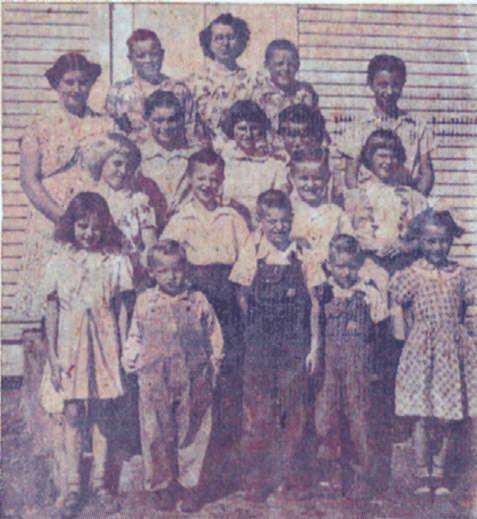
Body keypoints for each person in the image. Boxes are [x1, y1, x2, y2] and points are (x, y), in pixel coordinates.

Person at [39, 192, 133, 518]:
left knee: (104, 413)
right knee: (73, 412)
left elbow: (121, 308)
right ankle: (72, 485)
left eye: (95, 227)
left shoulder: (115, 259)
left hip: (105, 343)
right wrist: (52, 356)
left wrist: (121, 348)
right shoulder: (59, 260)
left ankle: (100, 483)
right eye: (82, 226)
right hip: (69, 345)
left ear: (104, 227)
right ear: (71, 225)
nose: (89, 234)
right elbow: (51, 310)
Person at [161, 148, 250, 476]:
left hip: (226, 298)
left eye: (214, 179)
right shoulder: (181, 218)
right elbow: (166, 256)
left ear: (223, 180)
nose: (208, 185)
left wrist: (239, 291)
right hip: (194, 296)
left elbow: (247, 257)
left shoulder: (232, 218)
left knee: (226, 372)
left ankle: (225, 458)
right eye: (201, 178)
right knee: (195, 375)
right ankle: (192, 461)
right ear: (189, 179)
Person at [122, 240, 224, 513]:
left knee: (192, 429)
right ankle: (161, 485)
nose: (172, 276)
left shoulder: (198, 301)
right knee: (155, 431)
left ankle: (190, 485)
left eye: (178, 269)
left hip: (193, 376)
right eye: (164, 271)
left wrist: (215, 361)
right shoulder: (146, 302)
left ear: (186, 269)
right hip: (155, 377)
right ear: (153, 273)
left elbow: (214, 334)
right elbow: (135, 334)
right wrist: (132, 359)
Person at [17, 52, 112, 320]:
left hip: (91, 222)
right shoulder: (39, 125)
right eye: (68, 82)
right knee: (49, 301)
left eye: (82, 82)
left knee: (88, 300)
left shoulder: (104, 124)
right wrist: (62, 217)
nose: (75, 89)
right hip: (52, 219)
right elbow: (29, 179)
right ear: (57, 85)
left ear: (91, 84)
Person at [389, 209, 477, 497]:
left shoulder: (459, 274)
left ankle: (440, 470)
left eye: (442, 241)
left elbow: (470, 306)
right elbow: (396, 303)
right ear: (420, 242)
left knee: (447, 414)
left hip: (452, 351)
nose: (437, 247)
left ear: (450, 241)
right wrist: (404, 334)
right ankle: (421, 471)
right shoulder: (412, 274)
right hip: (421, 350)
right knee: (421, 414)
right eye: (430, 242)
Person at [230, 189, 310, 502]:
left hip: (292, 341)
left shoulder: (301, 252)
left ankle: (290, 478)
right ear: (260, 222)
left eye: (284, 221)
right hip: (260, 340)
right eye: (272, 221)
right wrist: (255, 330)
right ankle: (255, 479)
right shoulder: (253, 250)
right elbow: (241, 294)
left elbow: (313, 299)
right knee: (257, 413)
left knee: (293, 411)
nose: (278, 227)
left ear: (291, 220)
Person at [307, 235, 388, 500]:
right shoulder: (322, 292)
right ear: (329, 265)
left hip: (359, 367)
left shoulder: (368, 292)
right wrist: (315, 353)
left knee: (360, 420)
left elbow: (380, 332)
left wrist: (375, 366)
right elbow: (315, 327)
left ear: (360, 264)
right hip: (330, 367)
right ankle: (331, 473)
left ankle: (362, 477)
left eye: (352, 265)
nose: (346, 272)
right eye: (340, 266)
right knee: (325, 418)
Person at [336, 54, 435, 195]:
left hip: (407, 198)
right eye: (382, 85)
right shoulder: (357, 128)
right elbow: (351, 175)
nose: (389, 92)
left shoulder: (417, 126)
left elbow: (427, 173)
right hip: (370, 200)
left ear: (403, 84)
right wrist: (362, 203)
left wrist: (415, 202)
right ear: (370, 84)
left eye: (395, 85)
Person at [344, 131, 429, 275]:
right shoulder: (355, 198)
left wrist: (405, 246)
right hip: (366, 270)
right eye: (382, 156)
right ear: (370, 157)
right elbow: (346, 237)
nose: (388, 162)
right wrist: (369, 245)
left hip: (404, 269)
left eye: (393, 157)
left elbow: (427, 238)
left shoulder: (413, 198)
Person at [83, 132, 159, 275]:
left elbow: (150, 246)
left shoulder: (139, 201)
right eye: (117, 164)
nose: (123, 171)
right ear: (101, 162)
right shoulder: (87, 198)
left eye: (129, 166)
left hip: (129, 275)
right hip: (93, 273)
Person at [105, 29, 195, 144]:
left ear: (162, 55)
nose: (149, 60)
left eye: (154, 54)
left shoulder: (178, 90)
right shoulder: (118, 92)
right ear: (130, 59)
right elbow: (112, 132)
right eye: (141, 56)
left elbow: (190, 130)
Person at [288, 150, 353, 287]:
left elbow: (349, 247)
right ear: (292, 177)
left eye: (317, 178)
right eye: (304, 178)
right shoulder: (287, 211)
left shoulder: (336, 213)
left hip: (329, 282)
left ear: (327, 178)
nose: (311, 185)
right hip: (295, 281)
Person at [188, 13, 254, 144]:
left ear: (240, 41)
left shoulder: (252, 81)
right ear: (209, 42)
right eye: (219, 38)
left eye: (231, 37)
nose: (225, 43)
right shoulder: (195, 81)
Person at [221, 100, 288, 226]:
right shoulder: (223, 161)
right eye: (242, 128)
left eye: (253, 128)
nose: (248, 134)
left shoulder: (273, 165)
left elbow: (279, 203)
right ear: (232, 129)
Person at [140, 90, 202, 213]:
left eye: (171, 120)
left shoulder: (194, 154)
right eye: (158, 121)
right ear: (147, 120)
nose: (165, 127)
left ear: (180, 120)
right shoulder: (139, 156)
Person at [253, 39, 319, 130]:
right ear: (267, 65)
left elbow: (317, 126)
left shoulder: (306, 92)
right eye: (279, 64)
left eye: (291, 64)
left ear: (298, 65)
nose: (286, 69)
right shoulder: (257, 95)